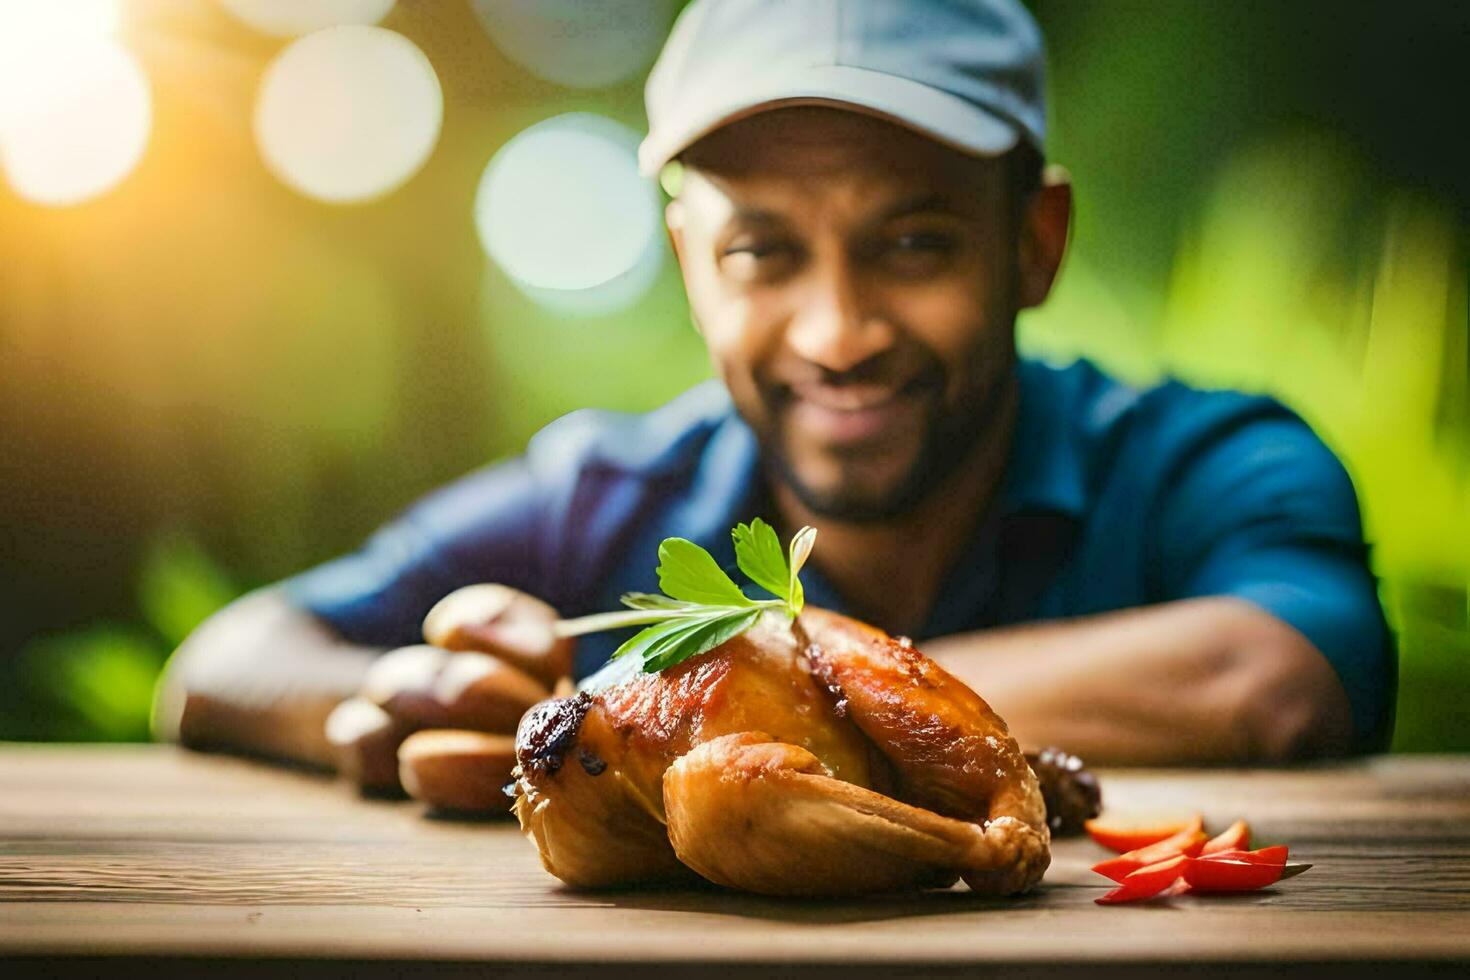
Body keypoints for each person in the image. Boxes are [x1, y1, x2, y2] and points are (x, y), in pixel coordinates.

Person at [155, 0, 1394, 772]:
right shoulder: (602, 492)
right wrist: (386, 709)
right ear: (692, 262)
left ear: (1035, 242)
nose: (838, 331)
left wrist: (641, 717)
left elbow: (1279, 674)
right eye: (762, 250)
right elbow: (227, 655)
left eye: (914, 243)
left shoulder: (1210, 462)